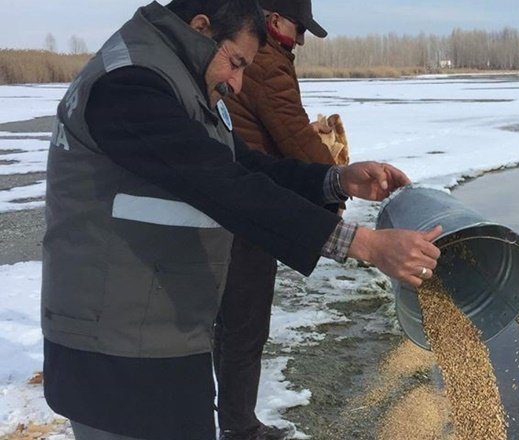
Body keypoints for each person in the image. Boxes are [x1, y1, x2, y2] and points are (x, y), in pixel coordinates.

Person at [40, 1, 441, 439]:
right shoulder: (131, 84)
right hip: (115, 346)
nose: (237, 82)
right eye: (235, 63)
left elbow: (245, 165)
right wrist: (363, 244)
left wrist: (335, 179)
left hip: (159, 327)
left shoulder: (179, 80)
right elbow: (222, 183)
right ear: (200, 28)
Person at [213, 1, 345, 438]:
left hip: (239, 195)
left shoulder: (261, 57)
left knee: (229, 321)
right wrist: (335, 183)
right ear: (272, 21)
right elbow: (292, 134)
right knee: (245, 323)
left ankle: (229, 420)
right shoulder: (267, 61)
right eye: (298, 28)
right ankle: (239, 428)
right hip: (249, 208)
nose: (302, 39)